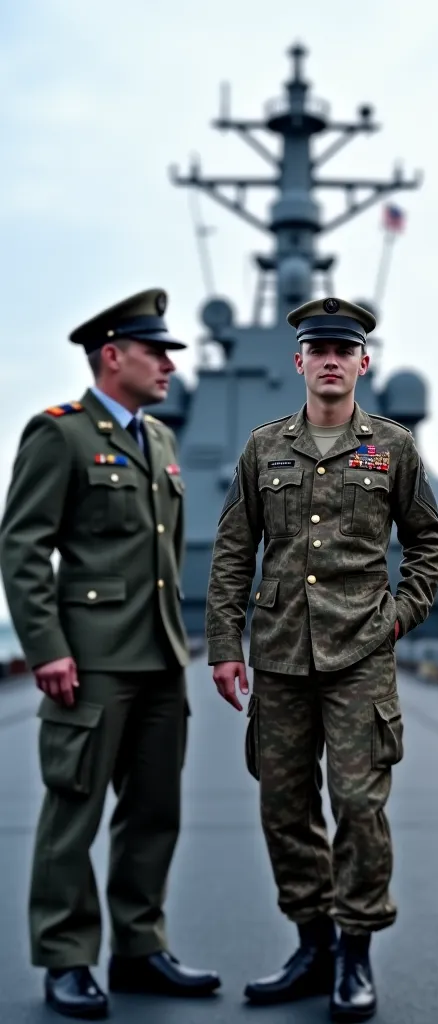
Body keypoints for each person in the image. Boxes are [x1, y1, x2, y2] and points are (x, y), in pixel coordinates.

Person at [206, 296, 438, 1022]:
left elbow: (430, 544)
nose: (333, 360)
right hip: (280, 657)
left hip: (360, 656)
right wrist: (225, 644)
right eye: (321, 349)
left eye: (346, 349)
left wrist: (399, 616)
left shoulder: (393, 448)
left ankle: (355, 951)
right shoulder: (263, 449)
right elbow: (231, 552)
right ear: (301, 362)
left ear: (363, 362)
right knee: (284, 807)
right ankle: (312, 943)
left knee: (358, 806)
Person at [0, 289, 221, 1020]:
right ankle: (66, 958)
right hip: (89, 662)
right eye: (155, 351)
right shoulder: (59, 435)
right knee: (73, 813)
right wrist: (47, 649)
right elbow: (23, 547)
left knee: (154, 813)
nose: (168, 364)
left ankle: (138, 948)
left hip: (160, 656)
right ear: (111, 355)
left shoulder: (158, 441)